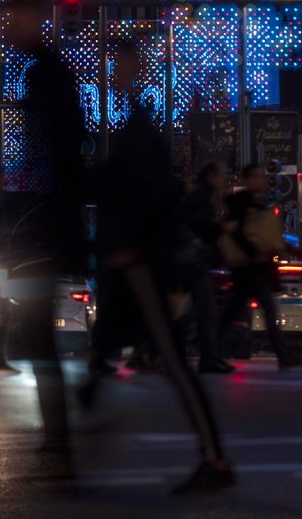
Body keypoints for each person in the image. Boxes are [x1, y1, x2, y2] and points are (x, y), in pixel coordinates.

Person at [83, 39, 233, 494]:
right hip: (138, 259)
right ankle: (85, 413)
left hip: (143, 261)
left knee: (169, 357)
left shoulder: (139, 133)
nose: (115, 74)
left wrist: (125, 241)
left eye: (121, 65)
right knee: (128, 347)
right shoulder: (138, 129)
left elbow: (141, 198)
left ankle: (215, 457)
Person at [2, 0, 87, 456]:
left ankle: (59, 436)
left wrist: (16, 185)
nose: (11, 30)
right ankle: (60, 434)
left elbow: (53, 154)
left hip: (45, 227)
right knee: (35, 332)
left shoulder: (45, 76)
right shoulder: (50, 73)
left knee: (35, 331)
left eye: (15, 20)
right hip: (49, 224)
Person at [218, 164, 302, 369]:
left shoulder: (256, 203)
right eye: (257, 176)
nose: (262, 180)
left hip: (251, 269)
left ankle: (284, 355)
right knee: (262, 310)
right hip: (249, 268)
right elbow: (239, 233)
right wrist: (253, 252)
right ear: (247, 180)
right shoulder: (242, 204)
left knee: (243, 310)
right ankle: (283, 355)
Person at [178, 162, 233, 373]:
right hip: (195, 261)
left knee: (194, 312)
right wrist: (222, 227)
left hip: (192, 260)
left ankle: (208, 356)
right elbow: (203, 227)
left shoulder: (200, 197)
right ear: (211, 177)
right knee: (204, 312)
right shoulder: (202, 199)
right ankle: (208, 358)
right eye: (221, 176)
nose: (224, 181)